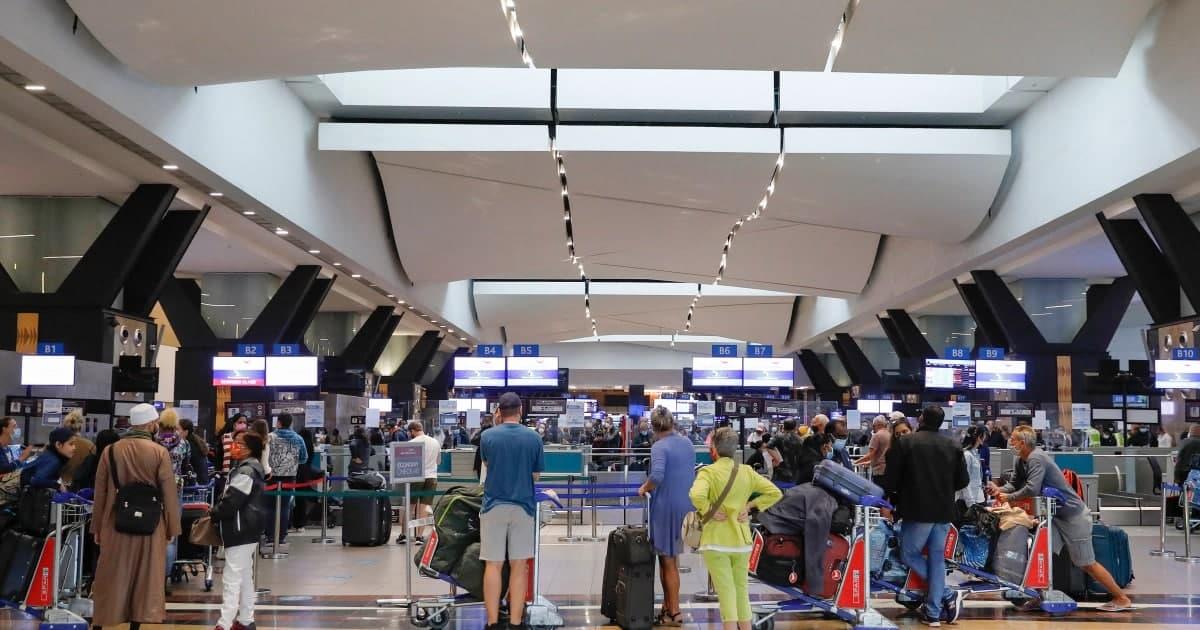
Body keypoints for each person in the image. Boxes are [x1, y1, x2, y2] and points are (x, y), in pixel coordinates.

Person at [990, 425, 1133, 612]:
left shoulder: (1036, 458)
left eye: (1014, 439)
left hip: (1074, 517)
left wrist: (1008, 497)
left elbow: (1032, 488)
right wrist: (998, 490)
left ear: (1023, 443)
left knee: (1086, 563)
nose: (1010, 442)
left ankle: (1121, 598)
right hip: (1056, 517)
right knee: (1041, 554)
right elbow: (1014, 484)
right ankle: (1038, 596)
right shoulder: (1021, 460)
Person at [91, 403, 182, 629]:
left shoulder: (110, 451)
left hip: (115, 521)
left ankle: (101, 622)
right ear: (150, 424)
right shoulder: (159, 452)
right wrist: (172, 527)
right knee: (145, 576)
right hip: (151, 523)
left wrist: (97, 527)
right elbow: (169, 492)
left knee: (111, 574)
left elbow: (100, 491)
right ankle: (136, 625)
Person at [689, 427, 782, 630]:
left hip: (716, 541)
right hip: (741, 541)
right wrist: (749, 507)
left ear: (714, 448)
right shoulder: (746, 472)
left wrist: (709, 509)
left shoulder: (708, 472)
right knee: (741, 590)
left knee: (726, 591)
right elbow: (774, 492)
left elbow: (696, 495)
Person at [886, 405, 970, 626]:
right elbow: (963, 480)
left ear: (921, 419)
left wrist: (893, 498)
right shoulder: (953, 445)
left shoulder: (906, 443)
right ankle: (933, 613)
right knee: (937, 559)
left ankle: (947, 594)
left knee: (908, 554)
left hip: (917, 510)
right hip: (944, 511)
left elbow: (891, 480)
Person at [479, 393, 545, 630]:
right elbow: (536, 475)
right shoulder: (534, 437)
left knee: (493, 564)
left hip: (493, 506)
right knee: (519, 566)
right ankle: (516, 623)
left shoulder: (487, 436)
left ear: (499, 411)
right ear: (520, 410)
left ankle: (493, 622)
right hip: (523, 507)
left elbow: (487, 465)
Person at [637, 407, 696, 627]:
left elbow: (657, 475)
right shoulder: (687, 443)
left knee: (667, 560)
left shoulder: (659, 446)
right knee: (670, 558)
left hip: (666, 507)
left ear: (653, 427)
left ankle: (675, 612)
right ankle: (667, 607)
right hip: (686, 506)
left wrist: (644, 487)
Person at [211, 430, 267, 630]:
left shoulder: (246, 472)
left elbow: (231, 502)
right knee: (244, 576)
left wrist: (213, 513)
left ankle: (224, 623)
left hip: (239, 527)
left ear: (249, 448)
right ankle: (245, 620)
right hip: (247, 526)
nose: (234, 446)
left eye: (239, 443)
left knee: (232, 577)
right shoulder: (251, 468)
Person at [0, 426, 76, 507]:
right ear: (58, 444)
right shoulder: (54, 461)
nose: (74, 447)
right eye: (71, 444)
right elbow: (36, 480)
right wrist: (58, 485)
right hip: (6, 492)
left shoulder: (50, 455)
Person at [264, 413, 308, 547]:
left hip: (271, 476)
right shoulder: (298, 438)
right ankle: (281, 536)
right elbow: (304, 458)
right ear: (291, 423)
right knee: (284, 507)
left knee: (270, 507)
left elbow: (263, 456)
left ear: (278, 423)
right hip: (289, 476)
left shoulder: (270, 437)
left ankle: (270, 537)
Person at [397, 421, 441, 546]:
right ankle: (419, 537)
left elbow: (405, 462)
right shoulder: (435, 442)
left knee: (410, 506)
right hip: (431, 477)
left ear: (412, 431)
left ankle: (404, 535)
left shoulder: (411, 443)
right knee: (424, 507)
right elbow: (438, 461)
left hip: (415, 476)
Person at [59, 410, 96, 488]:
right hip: (81, 487)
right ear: (80, 427)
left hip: (60, 485)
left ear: (65, 426)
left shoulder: (58, 444)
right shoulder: (90, 445)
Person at [957, 426, 987, 507]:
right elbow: (965, 481)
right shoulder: (967, 455)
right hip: (969, 501)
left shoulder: (975, 453)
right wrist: (971, 503)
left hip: (978, 498)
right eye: (984, 435)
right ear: (979, 437)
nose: (985, 438)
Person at [179, 418, 210, 486]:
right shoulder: (195, 441)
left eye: (178, 429)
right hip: (202, 482)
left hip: (196, 485)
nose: (175, 432)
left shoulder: (188, 445)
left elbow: (183, 466)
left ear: (186, 432)